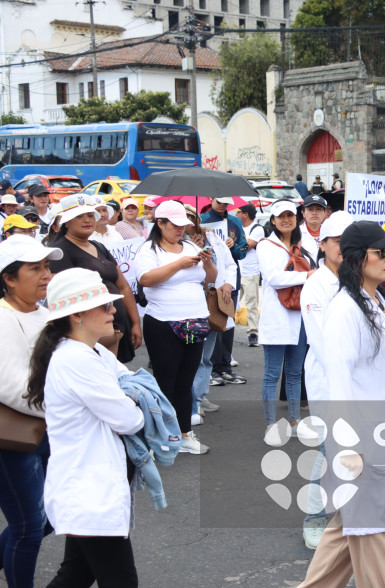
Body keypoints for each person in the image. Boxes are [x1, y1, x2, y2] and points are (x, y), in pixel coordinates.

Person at [298, 221, 385, 588]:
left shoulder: (378, 299)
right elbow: (338, 380)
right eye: (381, 252)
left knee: (347, 534)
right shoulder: (345, 309)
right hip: (362, 442)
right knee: (377, 539)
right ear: (358, 259)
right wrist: (348, 447)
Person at [26, 267, 144, 588]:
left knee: (76, 575)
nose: (113, 311)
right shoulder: (76, 359)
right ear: (77, 314)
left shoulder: (88, 352)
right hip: (89, 490)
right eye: (105, 306)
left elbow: (139, 385)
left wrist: (135, 398)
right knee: (119, 581)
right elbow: (130, 417)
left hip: (92, 486)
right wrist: (136, 401)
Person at [0, 235, 62, 588]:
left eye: (47, 267)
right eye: (34, 268)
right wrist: (65, 407)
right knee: (28, 528)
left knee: (47, 516)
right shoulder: (3, 319)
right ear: (8, 278)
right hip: (13, 438)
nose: (46, 275)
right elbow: (11, 387)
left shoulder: (47, 314)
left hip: (49, 430)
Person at [134, 200, 216, 455]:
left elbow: (210, 278)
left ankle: (183, 433)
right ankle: (161, 436)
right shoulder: (149, 250)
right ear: (160, 223)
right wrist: (179, 264)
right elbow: (145, 279)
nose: (181, 230)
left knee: (185, 381)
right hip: (163, 322)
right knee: (165, 382)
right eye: (176, 225)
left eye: (184, 225)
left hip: (195, 321)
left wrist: (208, 262)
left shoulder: (190, 245)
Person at [298, 210, 353, 550]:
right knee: (327, 449)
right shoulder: (316, 286)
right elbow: (322, 342)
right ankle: (313, 518)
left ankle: (347, 514)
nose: (344, 249)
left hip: (356, 381)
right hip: (328, 381)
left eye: (350, 242)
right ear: (323, 244)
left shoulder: (355, 281)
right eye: (337, 242)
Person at [48, 194, 142, 363]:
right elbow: (63, 298)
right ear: (66, 222)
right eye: (79, 216)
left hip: (116, 330)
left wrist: (135, 322)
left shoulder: (99, 246)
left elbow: (122, 286)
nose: (87, 220)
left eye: (90, 215)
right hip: (89, 338)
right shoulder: (60, 251)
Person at [257, 200, 316, 442]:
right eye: (280, 216)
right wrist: (307, 275)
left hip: (300, 315)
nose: (286, 220)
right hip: (277, 316)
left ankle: (294, 420)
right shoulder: (266, 245)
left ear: (296, 218)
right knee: (272, 373)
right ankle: (271, 424)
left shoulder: (304, 243)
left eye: (290, 215)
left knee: (294, 372)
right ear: (272, 221)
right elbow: (274, 278)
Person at [184, 204, 236, 426]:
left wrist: (227, 284)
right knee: (193, 355)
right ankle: (191, 401)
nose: (186, 222)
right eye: (182, 218)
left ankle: (201, 395)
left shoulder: (213, 237)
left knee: (206, 355)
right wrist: (192, 251)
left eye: (190, 217)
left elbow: (230, 264)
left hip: (214, 303)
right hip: (192, 304)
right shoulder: (178, 245)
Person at [201, 197, 248, 385]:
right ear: (211, 199)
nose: (222, 205)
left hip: (230, 280)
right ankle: (211, 368)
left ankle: (225, 366)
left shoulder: (235, 222)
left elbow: (243, 251)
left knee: (228, 324)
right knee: (211, 325)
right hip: (209, 283)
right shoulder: (202, 220)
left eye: (226, 203)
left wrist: (233, 246)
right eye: (219, 201)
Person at [235, 204, 266, 347]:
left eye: (238, 212)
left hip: (251, 272)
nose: (236, 215)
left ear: (245, 214)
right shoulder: (237, 227)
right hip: (236, 270)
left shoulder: (257, 229)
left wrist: (234, 244)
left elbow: (246, 246)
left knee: (251, 304)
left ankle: (253, 333)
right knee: (230, 303)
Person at [300, 194, 327, 261]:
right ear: (303, 213)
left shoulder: (330, 232)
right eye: (310, 209)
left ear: (324, 213)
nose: (314, 213)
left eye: (319, 209)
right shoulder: (296, 233)